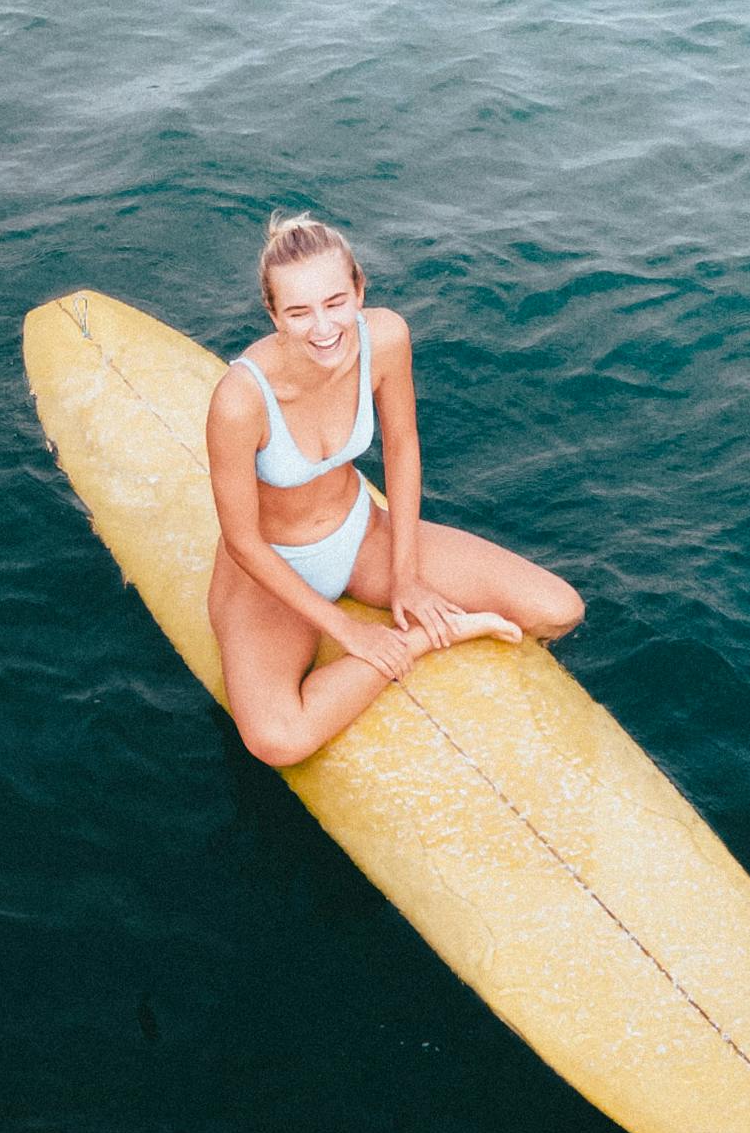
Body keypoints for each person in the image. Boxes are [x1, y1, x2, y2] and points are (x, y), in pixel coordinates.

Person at [206, 213, 584, 767]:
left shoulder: (385, 338)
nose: (323, 327)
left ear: (360, 289)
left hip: (360, 534)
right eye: (298, 312)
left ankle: (423, 619)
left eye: (336, 301)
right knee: (277, 740)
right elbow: (242, 542)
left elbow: (402, 447)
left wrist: (405, 577)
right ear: (272, 315)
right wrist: (349, 630)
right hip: (269, 568)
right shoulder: (239, 401)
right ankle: (430, 639)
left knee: (558, 609)